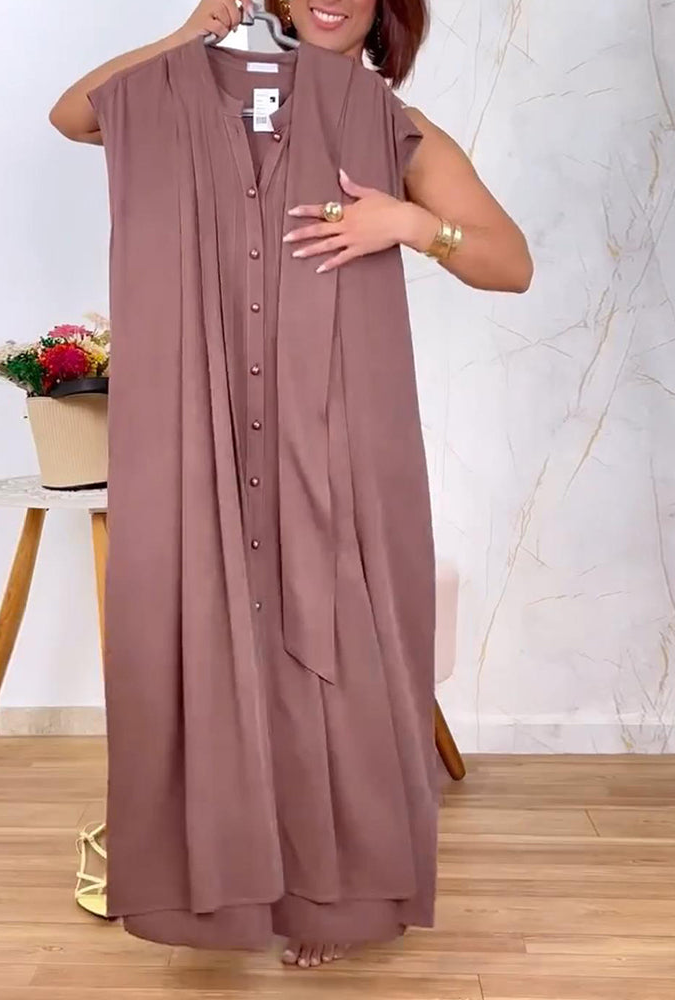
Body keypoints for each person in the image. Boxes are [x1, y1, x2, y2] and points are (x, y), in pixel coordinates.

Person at [50, 0, 532, 972]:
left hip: (338, 431)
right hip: (203, 431)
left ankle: (332, 890)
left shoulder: (389, 124)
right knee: (206, 636)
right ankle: (216, 882)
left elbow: (509, 263)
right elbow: (76, 114)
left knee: (336, 644)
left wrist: (410, 222)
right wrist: (186, 33)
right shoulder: (171, 102)